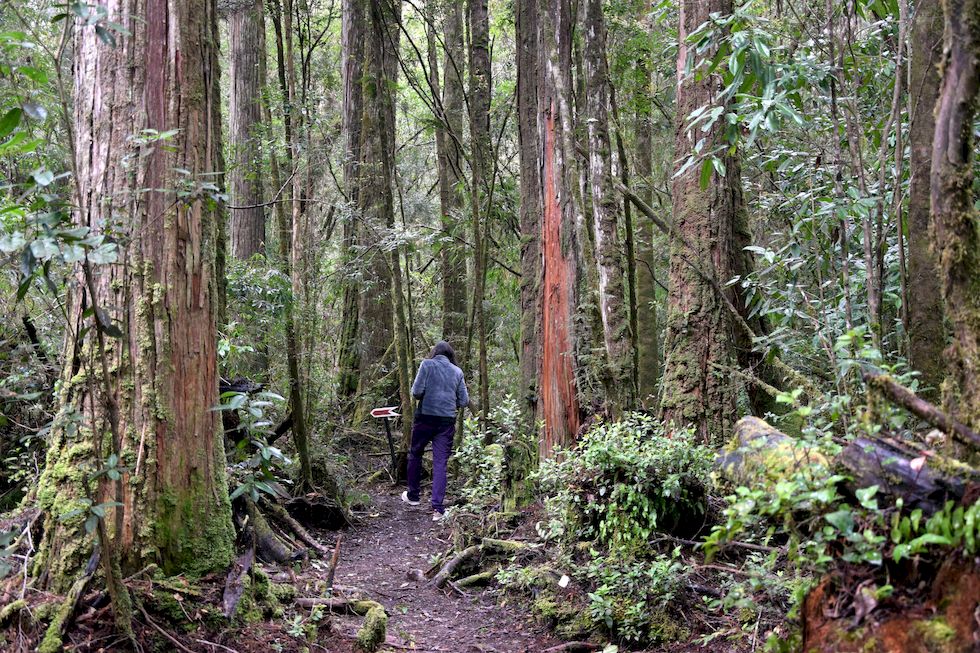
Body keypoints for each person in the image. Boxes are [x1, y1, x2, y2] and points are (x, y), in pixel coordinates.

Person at [401, 340, 469, 521]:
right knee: (440, 462)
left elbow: (416, 392)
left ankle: (413, 496)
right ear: (450, 356)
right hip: (446, 422)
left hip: (425, 417)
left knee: (415, 453)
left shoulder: (427, 365)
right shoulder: (457, 372)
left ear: (435, 353)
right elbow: (463, 401)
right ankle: (438, 509)